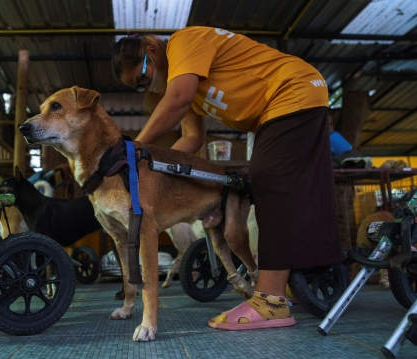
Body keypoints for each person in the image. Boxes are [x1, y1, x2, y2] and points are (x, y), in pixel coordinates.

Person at [111, 26, 343, 330]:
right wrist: (148, 165)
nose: (147, 86)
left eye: (143, 78)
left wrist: (132, 149)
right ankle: (298, 278)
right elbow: (191, 139)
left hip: (292, 89)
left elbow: (177, 99)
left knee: (268, 180)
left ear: (151, 51)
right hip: (279, 107)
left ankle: (271, 300)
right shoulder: (187, 88)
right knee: (290, 188)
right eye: (140, 87)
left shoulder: (183, 42)